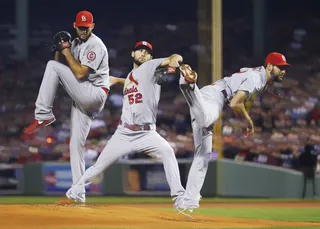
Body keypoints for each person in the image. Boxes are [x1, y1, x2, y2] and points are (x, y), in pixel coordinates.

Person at [66, 41, 186, 207]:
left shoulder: (151, 66)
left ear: (151, 57)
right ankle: (75, 191)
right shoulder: (131, 76)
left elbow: (174, 57)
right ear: (132, 54)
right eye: (139, 51)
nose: (143, 54)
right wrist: (115, 80)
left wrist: (174, 61)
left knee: (167, 153)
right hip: (124, 133)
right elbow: (132, 81)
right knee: (99, 166)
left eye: (146, 52)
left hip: (147, 133)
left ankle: (180, 199)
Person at [23, 10, 124, 203]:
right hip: (84, 99)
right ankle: (78, 195)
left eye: (87, 27)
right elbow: (63, 64)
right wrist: (59, 48)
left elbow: (78, 74)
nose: (83, 30)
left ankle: (43, 113)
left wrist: (66, 50)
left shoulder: (95, 45)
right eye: (80, 27)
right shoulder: (77, 42)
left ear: (92, 26)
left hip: (93, 94)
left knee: (52, 67)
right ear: (75, 25)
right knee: (75, 146)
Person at [176, 52, 291, 211]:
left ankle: (188, 203)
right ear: (269, 66)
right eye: (280, 67)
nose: (283, 71)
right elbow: (235, 103)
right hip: (214, 97)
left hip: (207, 98)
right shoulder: (257, 78)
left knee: (204, 154)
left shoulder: (259, 75)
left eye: (284, 68)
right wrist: (248, 121)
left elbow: (243, 73)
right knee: (206, 119)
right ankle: (188, 84)